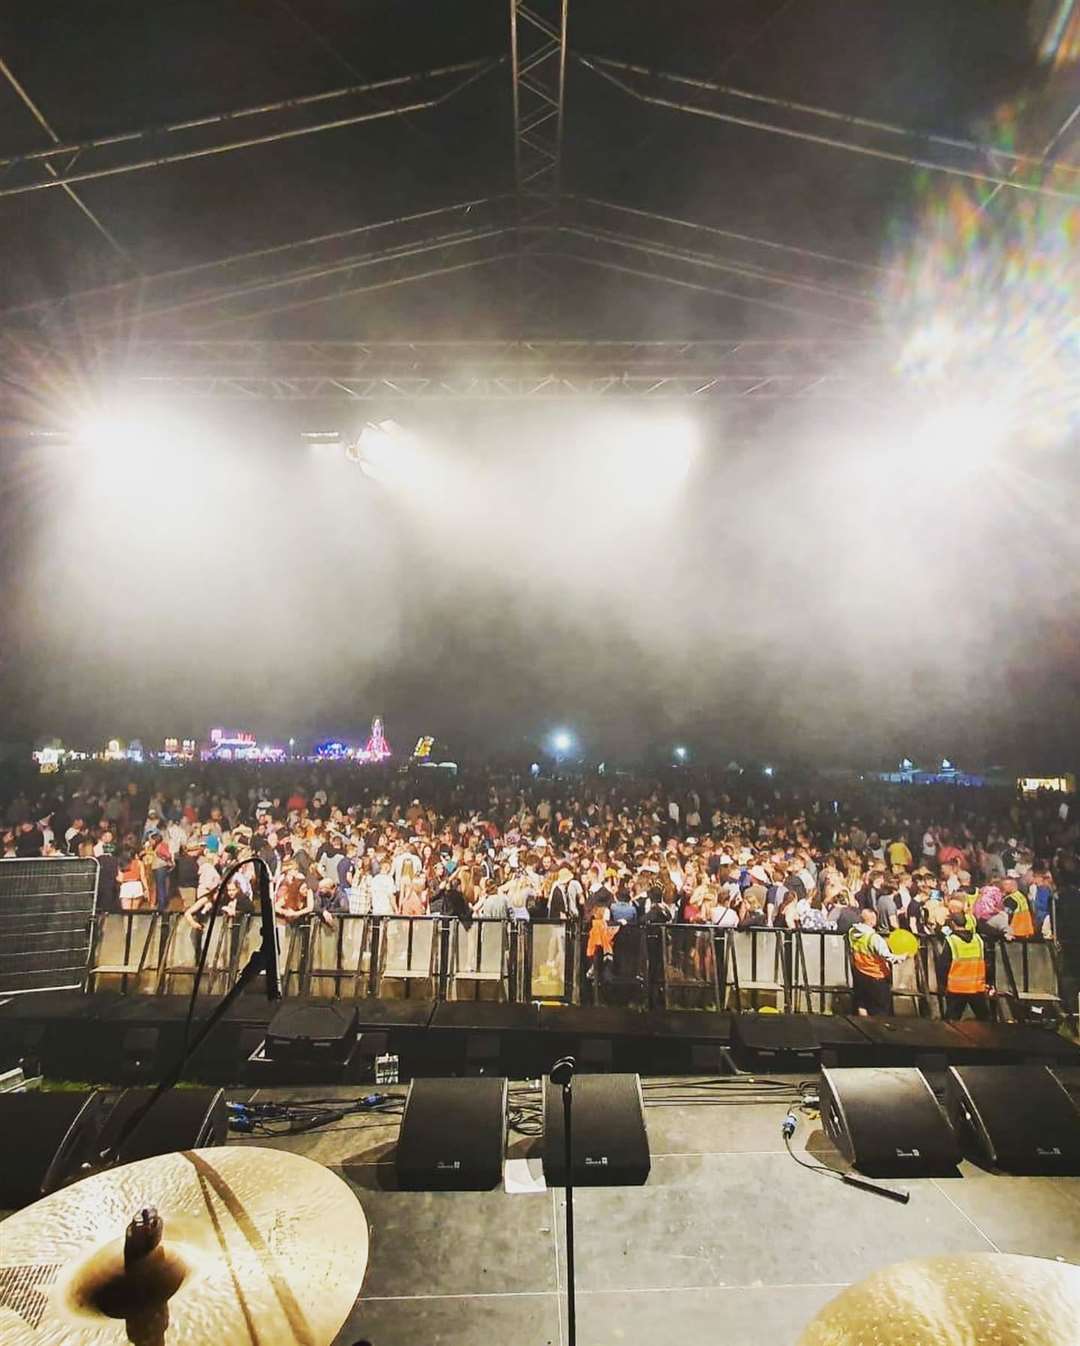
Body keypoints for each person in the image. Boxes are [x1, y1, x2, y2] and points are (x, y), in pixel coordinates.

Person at [847, 906, 901, 1016]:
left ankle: (863, 1027)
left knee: (862, 1004)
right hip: (877, 977)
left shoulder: (852, 932)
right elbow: (888, 957)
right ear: (871, 920)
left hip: (860, 974)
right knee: (880, 1010)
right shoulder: (874, 938)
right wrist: (902, 956)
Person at [937, 916, 991, 1020]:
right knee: (985, 1020)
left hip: (957, 988)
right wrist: (989, 982)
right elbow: (987, 963)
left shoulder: (951, 941)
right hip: (976, 987)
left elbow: (943, 966)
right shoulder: (978, 940)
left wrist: (942, 985)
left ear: (952, 924)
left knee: (951, 1022)